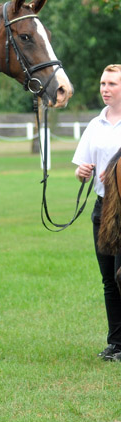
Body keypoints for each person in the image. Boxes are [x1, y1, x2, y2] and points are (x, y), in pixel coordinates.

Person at [73, 64, 121, 361]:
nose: (105, 88)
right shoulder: (95, 124)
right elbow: (82, 169)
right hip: (103, 209)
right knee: (108, 279)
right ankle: (116, 344)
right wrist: (82, 172)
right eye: (103, 83)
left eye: (112, 84)